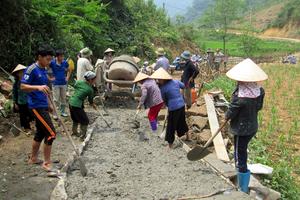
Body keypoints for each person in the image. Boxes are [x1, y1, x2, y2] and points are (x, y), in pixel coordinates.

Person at [225, 58, 267, 193]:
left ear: (241, 80)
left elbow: (231, 112)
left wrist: (226, 117)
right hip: (252, 127)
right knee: (242, 151)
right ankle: (241, 177)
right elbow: (259, 107)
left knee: (239, 153)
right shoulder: (259, 91)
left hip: (241, 129)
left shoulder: (240, 97)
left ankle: (242, 186)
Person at [21, 45, 57, 172]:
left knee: (41, 133)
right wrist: (37, 87)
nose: (49, 62)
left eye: (50, 59)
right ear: (39, 57)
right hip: (35, 106)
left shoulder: (44, 70)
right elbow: (23, 86)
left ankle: (33, 158)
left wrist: (49, 104)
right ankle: (47, 162)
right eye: (47, 59)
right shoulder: (32, 69)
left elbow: (45, 90)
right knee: (51, 134)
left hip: (43, 105)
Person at [150, 68, 189, 149]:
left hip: (174, 108)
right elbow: (184, 86)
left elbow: (163, 100)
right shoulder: (175, 81)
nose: (158, 81)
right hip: (181, 105)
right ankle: (188, 136)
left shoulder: (163, 89)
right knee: (182, 121)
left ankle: (170, 145)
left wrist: (167, 105)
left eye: (159, 79)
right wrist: (180, 95)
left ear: (164, 79)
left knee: (171, 126)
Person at [134, 72, 164, 138]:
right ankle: (156, 127)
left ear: (140, 80)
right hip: (160, 100)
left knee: (150, 116)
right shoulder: (152, 80)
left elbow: (144, 95)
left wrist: (140, 104)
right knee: (155, 115)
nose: (139, 83)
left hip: (155, 102)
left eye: (139, 82)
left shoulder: (144, 85)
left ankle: (154, 130)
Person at [69, 71, 97, 141]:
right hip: (77, 105)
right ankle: (82, 137)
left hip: (71, 102)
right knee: (85, 121)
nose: (95, 81)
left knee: (75, 118)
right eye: (94, 79)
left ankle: (74, 132)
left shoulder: (79, 82)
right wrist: (93, 105)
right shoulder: (90, 89)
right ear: (90, 80)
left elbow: (75, 86)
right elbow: (90, 101)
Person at [12, 64, 33, 134]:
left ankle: (29, 124)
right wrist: (15, 103)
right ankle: (27, 128)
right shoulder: (16, 84)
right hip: (21, 102)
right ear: (17, 74)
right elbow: (14, 93)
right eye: (20, 72)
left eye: (23, 72)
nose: (22, 73)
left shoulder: (28, 81)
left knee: (30, 114)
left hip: (29, 100)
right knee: (23, 115)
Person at [49, 49, 70, 118]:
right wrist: (50, 78)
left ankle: (63, 112)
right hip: (55, 83)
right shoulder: (52, 63)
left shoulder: (64, 63)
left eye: (63, 56)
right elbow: (45, 69)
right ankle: (55, 113)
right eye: (61, 56)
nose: (62, 58)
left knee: (63, 98)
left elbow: (69, 70)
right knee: (56, 99)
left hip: (63, 83)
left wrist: (67, 77)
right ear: (57, 57)